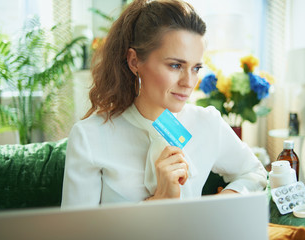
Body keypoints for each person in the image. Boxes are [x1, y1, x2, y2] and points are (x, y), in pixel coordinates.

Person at [62, 0, 267, 208]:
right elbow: (77, 232)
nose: (188, 83)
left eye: (196, 68)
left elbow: (255, 173)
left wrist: (212, 208)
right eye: (176, 65)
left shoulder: (207, 123)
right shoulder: (89, 138)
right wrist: (159, 201)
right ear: (134, 62)